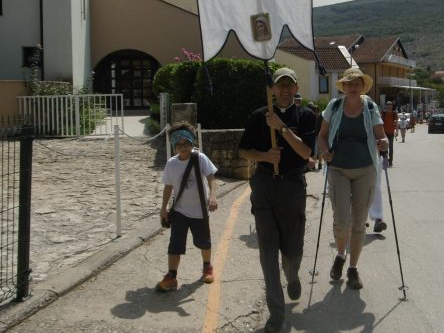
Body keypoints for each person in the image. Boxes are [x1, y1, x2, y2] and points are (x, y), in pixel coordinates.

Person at [238, 67, 316, 333]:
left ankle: (292, 275)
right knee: (267, 252)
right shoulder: (258, 116)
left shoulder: (305, 116)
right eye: (279, 85)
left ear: (296, 89)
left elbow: (306, 152)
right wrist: (263, 157)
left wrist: (281, 128)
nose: (284, 90)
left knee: (292, 250)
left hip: (292, 187)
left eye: (289, 85)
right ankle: (276, 313)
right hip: (264, 187)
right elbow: (243, 149)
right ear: (272, 89)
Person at [317, 67, 388, 290]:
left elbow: (380, 135)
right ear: (344, 87)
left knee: (358, 225)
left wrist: (384, 142)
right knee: (341, 222)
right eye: (350, 83)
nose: (354, 87)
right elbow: (322, 136)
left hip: (365, 169)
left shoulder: (370, 106)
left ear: (361, 86)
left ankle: (353, 269)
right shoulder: (334, 106)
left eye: (357, 83)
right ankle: (340, 254)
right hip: (338, 168)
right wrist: (325, 151)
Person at [156, 122, 219, 292]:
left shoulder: (200, 158)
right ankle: (172, 276)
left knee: (204, 243)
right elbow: (168, 186)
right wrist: (163, 208)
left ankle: (207, 267)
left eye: (186, 143)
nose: (183, 148)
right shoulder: (172, 163)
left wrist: (212, 196)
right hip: (180, 212)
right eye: (179, 144)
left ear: (192, 143)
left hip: (200, 211)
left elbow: (211, 178)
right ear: (174, 145)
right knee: (175, 244)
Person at [381, 101, 397, 167]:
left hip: (391, 133)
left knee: (391, 148)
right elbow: (381, 123)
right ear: (386, 106)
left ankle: (390, 161)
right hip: (384, 133)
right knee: (385, 148)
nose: (389, 106)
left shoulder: (394, 113)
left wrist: (397, 131)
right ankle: (385, 161)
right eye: (388, 105)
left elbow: (396, 123)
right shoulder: (384, 113)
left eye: (390, 105)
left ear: (392, 106)